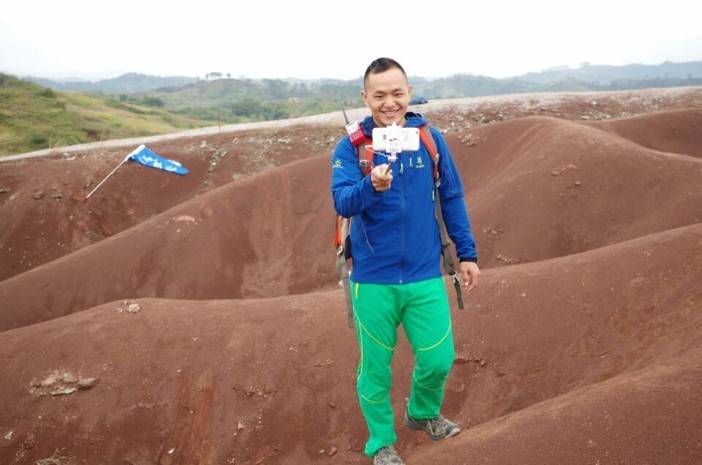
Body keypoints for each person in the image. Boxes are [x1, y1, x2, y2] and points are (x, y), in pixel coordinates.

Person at [331, 57, 480, 465]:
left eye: (397, 93)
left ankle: (422, 412)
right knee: (375, 369)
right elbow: (342, 201)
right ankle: (381, 442)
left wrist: (466, 253)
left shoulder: (430, 139)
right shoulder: (351, 146)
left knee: (438, 359)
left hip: (423, 273)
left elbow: (451, 196)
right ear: (365, 97)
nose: (390, 103)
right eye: (379, 95)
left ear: (409, 93)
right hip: (372, 279)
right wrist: (371, 185)